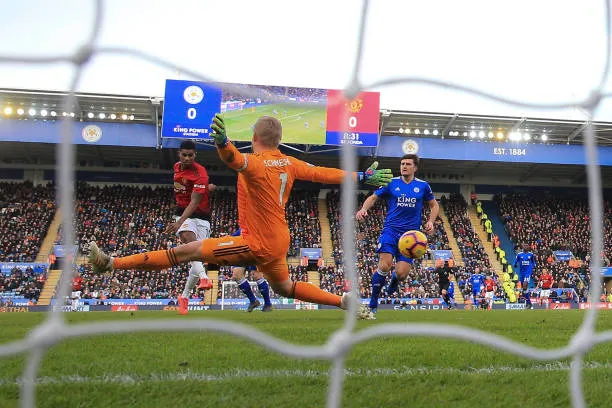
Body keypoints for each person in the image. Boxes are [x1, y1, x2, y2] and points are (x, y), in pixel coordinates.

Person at [89, 114, 392, 318]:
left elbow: (233, 158)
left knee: (186, 252)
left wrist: (222, 142)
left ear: (255, 135)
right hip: (279, 238)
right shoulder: (289, 162)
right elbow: (323, 173)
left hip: (257, 241)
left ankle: (111, 264)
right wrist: (362, 176)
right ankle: (342, 302)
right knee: (284, 287)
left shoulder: (255, 162)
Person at [356, 154, 439, 318]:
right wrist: (363, 209)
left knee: (401, 274)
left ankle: (395, 279)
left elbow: (434, 204)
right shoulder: (391, 183)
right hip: (390, 231)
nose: (404, 166)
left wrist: (431, 221)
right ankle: (373, 303)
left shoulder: (423, 186)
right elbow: (373, 197)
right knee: (384, 265)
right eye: (402, 164)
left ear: (415, 167)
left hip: (410, 237)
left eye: (408, 164)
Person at [164, 140, 215, 315]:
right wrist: (180, 222)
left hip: (201, 216)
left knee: (197, 255)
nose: (186, 158)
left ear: (195, 155)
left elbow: (194, 201)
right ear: (179, 154)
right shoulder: (176, 167)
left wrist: (205, 188)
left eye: (190, 155)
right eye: (184, 154)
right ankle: (204, 278)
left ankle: (184, 296)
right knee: (188, 239)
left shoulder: (201, 173)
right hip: (182, 213)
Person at [230, 229, 272, 312]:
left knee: (257, 276)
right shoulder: (243, 227)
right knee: (236, 275)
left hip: (256, 251)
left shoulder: (259, 224)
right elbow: (232, 238)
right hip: (243, 252)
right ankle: (253, 301)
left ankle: (268, 304)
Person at [514, 243, 536, 309]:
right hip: (521, 273)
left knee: (525, 285)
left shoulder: (531, 254)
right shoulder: (519, 255)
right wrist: (515, 264)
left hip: (528, 272)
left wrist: (534, 265)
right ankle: (529, 303)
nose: (526, 246)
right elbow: (516, 261)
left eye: (527, 245)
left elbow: (533, 261)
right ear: (522, 247)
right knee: (524, 289)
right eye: (525, 245)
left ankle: (528, 303)